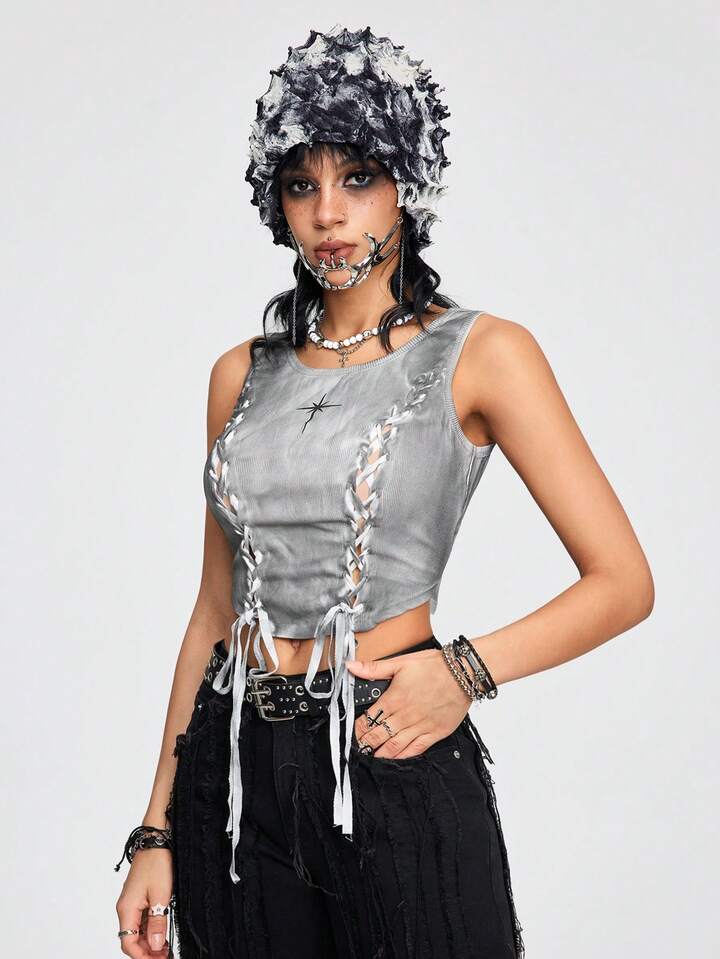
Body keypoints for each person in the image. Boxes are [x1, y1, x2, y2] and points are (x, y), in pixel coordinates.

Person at [113, 24, 655, 959]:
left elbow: (623, 581)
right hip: (232, 782)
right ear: (275, 201)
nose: (328, 212)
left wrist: (465, 672)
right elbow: (213, 608)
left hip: (388, 753)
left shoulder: (483, 353)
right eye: (301, 184)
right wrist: (155, 828)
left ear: (410, 182)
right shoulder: (240, 374)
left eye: (358, 177)